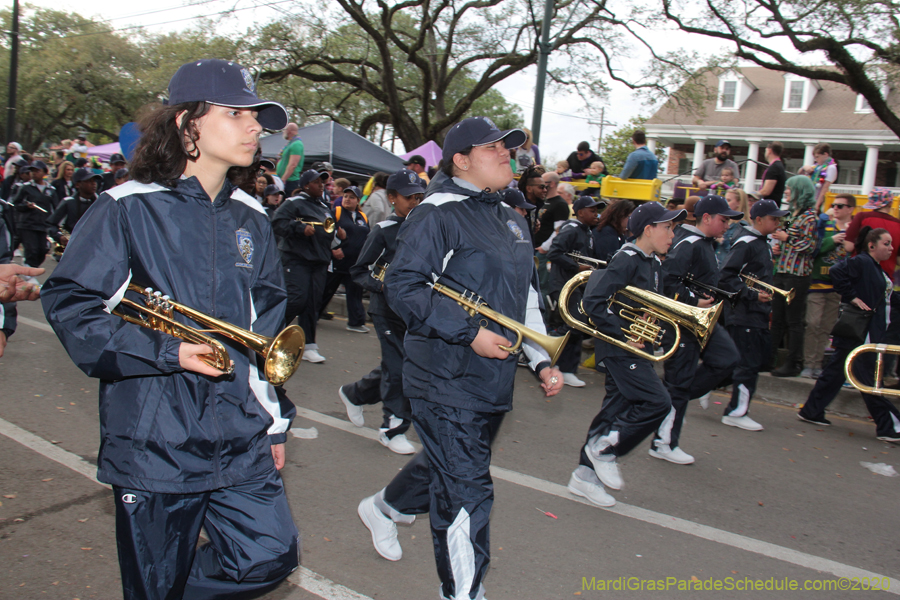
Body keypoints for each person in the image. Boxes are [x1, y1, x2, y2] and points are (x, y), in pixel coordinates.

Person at [40, 58, 299, 599]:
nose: (255, 127)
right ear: (187, 125)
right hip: (155, 441)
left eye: (257, 116)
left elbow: (265, 327)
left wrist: (274, 421)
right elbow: (71, 302)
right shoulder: (124, 207)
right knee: (153, 583)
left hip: (238, 433)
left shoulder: (252, 215)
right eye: (237, 113)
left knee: (269, 556)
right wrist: (166, 350)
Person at [355, 116, 563, 600]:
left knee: (451, 465)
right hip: (444, 374)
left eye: (508, 147)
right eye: (493, 148)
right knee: (468, 491)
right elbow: (404, 285)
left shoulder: (510, 217)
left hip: (491, 376)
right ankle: (464, 592)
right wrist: (469, 333)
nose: (506, 153)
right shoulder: (437, 212)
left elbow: (524, 298)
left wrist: (541, 358)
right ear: (461, 160)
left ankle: (385, 508)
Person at [570, 202, 685, 508]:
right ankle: (607, 448)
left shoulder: (653, 262)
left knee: (612, 410)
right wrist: (622, 334)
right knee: (658, 402)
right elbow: (594, 300)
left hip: (635, 348)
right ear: (649, 229)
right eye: (668, 227)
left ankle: (584, 477)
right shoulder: (627, 259)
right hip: (621, 349)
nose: (672, 234)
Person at [341, 170, 425, 455]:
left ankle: (354, 393)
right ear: (392, 198)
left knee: (399, 365)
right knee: (400, 368)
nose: (415, 201)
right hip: (386, 310)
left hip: (414, 312)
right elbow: (359, 271)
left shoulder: (426, 228)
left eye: (419, 196)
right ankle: (392, 428)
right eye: (409, 197)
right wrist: (383, 285)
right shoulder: (383, 230)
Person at [653, 195, 741, 464]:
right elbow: (667, 282)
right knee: (679, 382)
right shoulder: (689, 243)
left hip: (700, 321)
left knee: (727, 359)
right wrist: (694, 301)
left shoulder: (702, 244)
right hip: (682, 322)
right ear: (706, 218)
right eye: (723, 220)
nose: (726, 225)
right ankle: (663, 442)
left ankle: (671, 398)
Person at [798, 227, 900, 442]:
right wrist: (852, 297)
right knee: (868, 379)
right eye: (886, 243)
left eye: (891, 244)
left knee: (837, 372)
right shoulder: (863, 262)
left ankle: (811, 410)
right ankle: (888, 425)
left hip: (863, 332)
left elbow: (884, 299)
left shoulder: (875, 268)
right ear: (872, 245)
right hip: (863, 333)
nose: (891, 248)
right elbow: (836, 271)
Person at [718, 200, 785, 433]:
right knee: (748, 364)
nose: (777, 223)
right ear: (758, 220)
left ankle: (706, 387)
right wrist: (753, 295)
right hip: (744, 313)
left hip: (754, 313)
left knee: (749, 362)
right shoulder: (747, 242)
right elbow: (726, 276)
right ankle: (736, 412)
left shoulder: (761, 243)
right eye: (773, 218)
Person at [272, 169, 336, 364]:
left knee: (312, 303)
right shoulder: (293, 203)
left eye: (322, 182)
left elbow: (328, 228)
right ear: (306, 185)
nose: (321, 185)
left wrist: (338, 237)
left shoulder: (324, 205)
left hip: (318, 260)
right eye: (317, 182)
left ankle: (308, 346)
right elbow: (277, 222)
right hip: (297, 259)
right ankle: (272, 332)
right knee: (297, 299)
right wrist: (299, 228)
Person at [546, 196, 602, 387]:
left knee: (578, 324)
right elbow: (554, 252)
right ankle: (556, 358)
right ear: (580, 213)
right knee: (575, 322)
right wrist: (576, 267)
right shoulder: (572, 229)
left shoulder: (587, 232)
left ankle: (567, 367)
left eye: (597, 211)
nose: (596, 214)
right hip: (563, 284)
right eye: (592, 211)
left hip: (575, 286)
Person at [770, 176, 819, 377]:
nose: (787, 191)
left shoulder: (809, 217)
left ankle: (793, 362)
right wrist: (778, 247)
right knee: (777, 319)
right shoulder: (791, 214)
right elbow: (787, 242)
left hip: (797, 274)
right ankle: (769, 358)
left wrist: (787, 238)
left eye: (790, 188)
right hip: (782, 270)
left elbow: (809, 246)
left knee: (794, 321)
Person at [801, 194, 854, 379]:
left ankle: (817, 364)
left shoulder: (853, 229)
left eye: (840, 205)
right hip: (817, 283)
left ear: (850, 209)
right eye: (834, 205)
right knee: (813, 323)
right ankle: (808, 363)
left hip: (837, 286)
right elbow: (813, 248)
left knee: (826, 327)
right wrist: (833, 240)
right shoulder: (825, 226)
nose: (836, 208)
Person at [320, 185, 370, 333]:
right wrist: (334, 248)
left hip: (354, 264)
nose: (348, 199)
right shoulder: (336, 212)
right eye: (346, 196)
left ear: (358, 200)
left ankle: (356, 322)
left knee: (355, 293)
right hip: (337, 262)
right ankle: (312, 314)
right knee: (326, 291)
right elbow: (325, 232)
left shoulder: (363, 217)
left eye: (352, 197)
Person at [844, 188, 900, 277]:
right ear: (890, 203)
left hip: (860, 274)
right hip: (885, 278)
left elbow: (848, 247)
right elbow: (898, 260)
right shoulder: (898, 224)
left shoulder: (861, 217)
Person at [45, 167, 101, 255]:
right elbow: (51, 224)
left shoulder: (100, 202)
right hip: (72, 249)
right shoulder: (69, 202)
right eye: (88, 181)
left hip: (94, 248)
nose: (93, 184)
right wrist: (60, 237)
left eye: (94, 181)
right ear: (78, 184)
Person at [11, 162, 58, 267]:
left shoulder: (51, 190)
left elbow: (56, 208)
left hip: (42, 224)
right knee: (32, 250)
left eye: (37, 171)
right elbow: (15, 204)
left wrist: (54, 223)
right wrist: (26, 206)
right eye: (32, 171)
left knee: (42, 250)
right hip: (27, 224)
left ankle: (30, 267)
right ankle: (29, 271)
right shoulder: (25, 187)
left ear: (45, 172)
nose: (34, 173)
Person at [716, 189, 750, 266]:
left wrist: (721, 240)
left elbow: (738, 250)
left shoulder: (742, 225)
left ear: (739, 203)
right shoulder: (727, 221)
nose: (725, 203)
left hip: (727, 267)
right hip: (718, 263)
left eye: (728, 200)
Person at [799, 142, 837, 211]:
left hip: (819, 201)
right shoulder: (816, 167)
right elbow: (800, 175)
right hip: (809, 199)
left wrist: (817, 205)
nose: (816, 159)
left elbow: (825, 188)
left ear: (825, 154)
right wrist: (804, 168)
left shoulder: (831, 167)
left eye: (817, 157)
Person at [277, 122, 305, 194]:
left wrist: (283, 179)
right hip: (284, 180)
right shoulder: (290, 143)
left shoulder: (297, 144)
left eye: (285, 130)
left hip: (290, 182)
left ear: (289, 130)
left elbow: (293, 164)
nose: (284, 132)